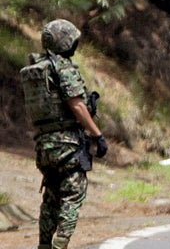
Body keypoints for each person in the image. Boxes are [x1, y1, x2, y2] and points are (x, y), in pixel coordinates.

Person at [20, 19, 108, 249]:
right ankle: (60, 244)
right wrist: (97, 135)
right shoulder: (63, 67)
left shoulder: (37, 70)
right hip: (66, 144)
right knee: (73, 193)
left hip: (43, 145)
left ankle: (44, 245)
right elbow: (76, 104)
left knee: (50, 197)